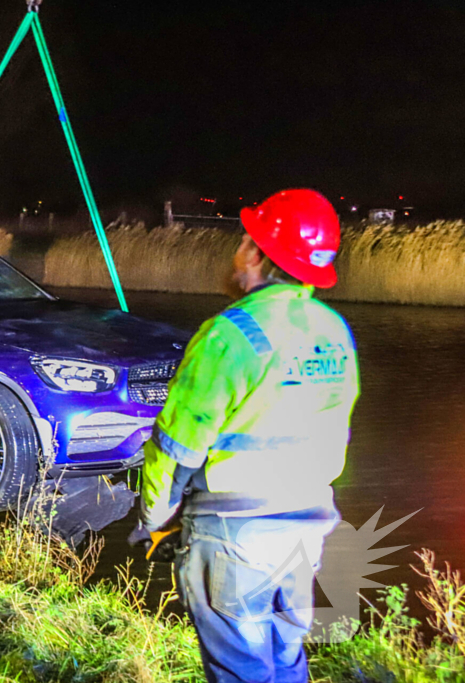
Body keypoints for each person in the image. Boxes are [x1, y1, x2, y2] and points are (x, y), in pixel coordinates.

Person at [130, 189, 360, 683]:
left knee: (241, 670)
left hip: (236, 535)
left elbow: (176, 447)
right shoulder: (334, 331)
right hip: (306, 530)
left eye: (243, 242)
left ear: (256, 255)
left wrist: (154, 518)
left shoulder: (229, 334)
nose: (236, 253)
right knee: (285, 658)